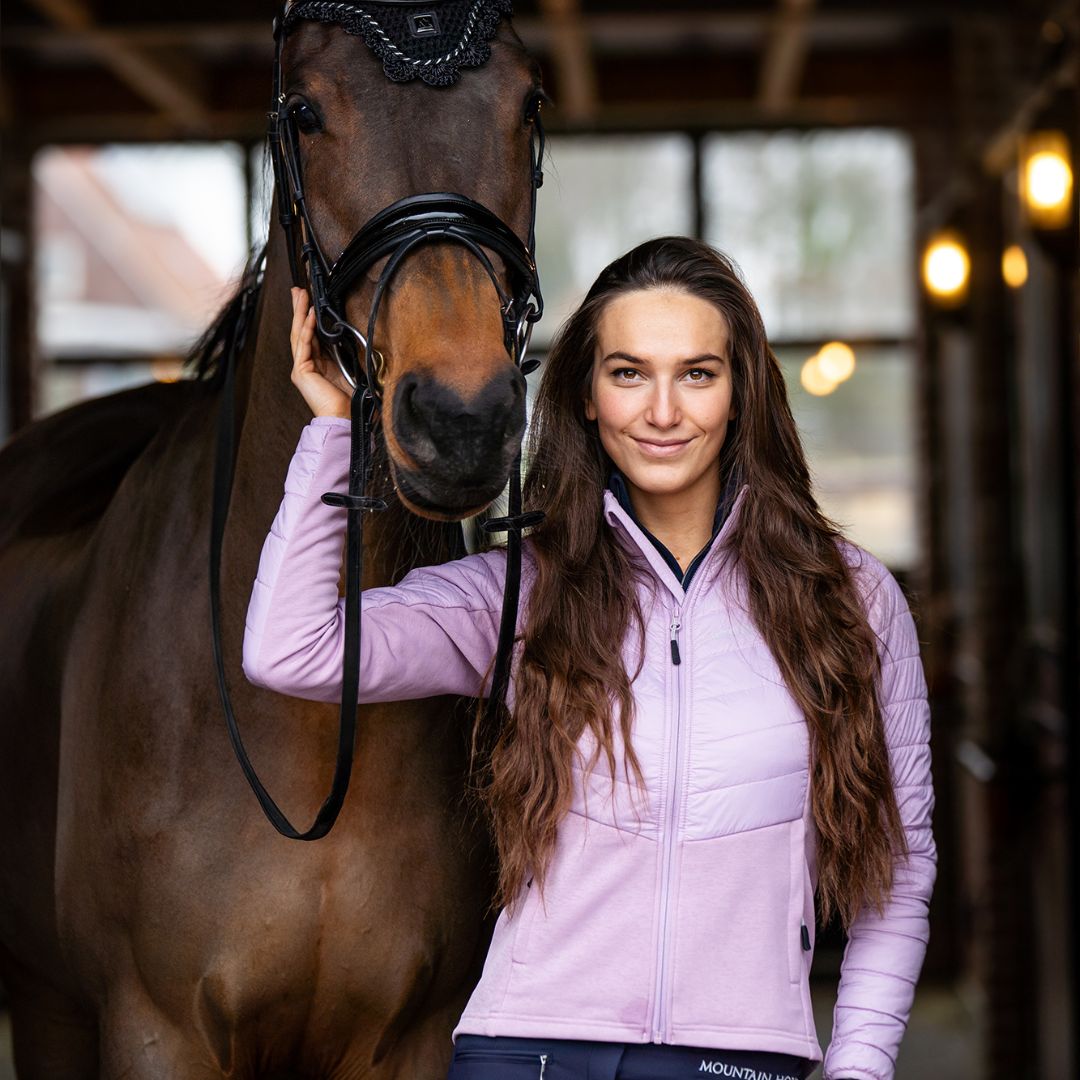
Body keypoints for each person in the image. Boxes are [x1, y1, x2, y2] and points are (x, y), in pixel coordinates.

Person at [243, 236, 937, 1080]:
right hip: (528, 1050)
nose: (663, 412)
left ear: (742, 391)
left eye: (698, 373)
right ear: (584, 395)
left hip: (742, 1055)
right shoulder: (520, 593)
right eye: (629, 373)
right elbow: (294, 649)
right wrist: (330, 430)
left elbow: (897, 871)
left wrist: (860, 1062)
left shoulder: (850, 599)